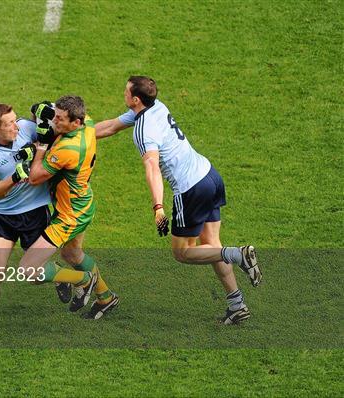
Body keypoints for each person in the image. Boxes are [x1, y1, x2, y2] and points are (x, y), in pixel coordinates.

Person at [95, 76, 262, 324]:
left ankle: (238, 254)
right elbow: (110, 127)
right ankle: (237, 304)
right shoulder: (155, 106)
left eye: (126, 91)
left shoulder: (143, 131)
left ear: (136, 99)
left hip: (191, 190)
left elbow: (152, 167)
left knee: (183, 253)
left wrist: (158, 207)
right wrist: (74, 135)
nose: (123, 94)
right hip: (209, 175)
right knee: (212, 245)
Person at [0, 103, 71, 346]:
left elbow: (48, 122)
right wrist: (17, 176)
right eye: (10, 123)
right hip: (3, 217)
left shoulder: (25, 128)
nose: (17, 125)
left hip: (34, 212)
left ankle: (60, 276)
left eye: (15, 120)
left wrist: (40, 109)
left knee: (33, 276)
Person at [17, 95, 119, 320]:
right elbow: (47, 114)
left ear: (76, 122)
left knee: (27, 270)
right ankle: (106, 297)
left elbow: (34, 177)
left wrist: (41, 145)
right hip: (82, 205)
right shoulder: (87, 123)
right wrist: (41, 111)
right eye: (55, 116)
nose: (55, 122)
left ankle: (83, 280)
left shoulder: (68, 149)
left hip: (68, 216)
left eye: (61, 119)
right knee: (72, 254)